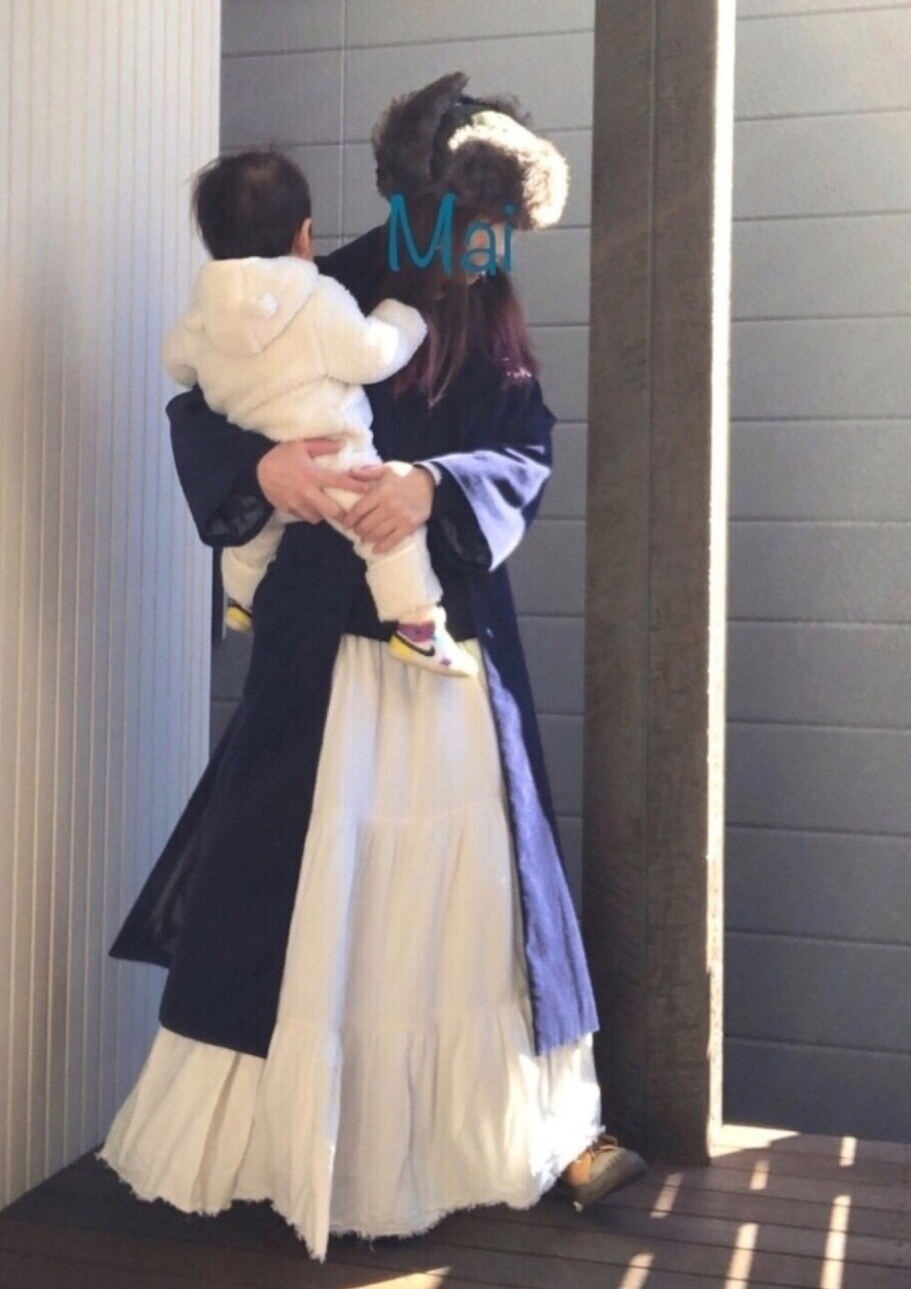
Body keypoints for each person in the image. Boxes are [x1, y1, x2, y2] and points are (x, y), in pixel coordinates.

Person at [97, 70, 646, 1261]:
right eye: (475, 218)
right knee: (304, 878)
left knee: (468, 891)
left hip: (447, 643)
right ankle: (298, 1148)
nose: (490, 245)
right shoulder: (322, 284)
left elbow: (526, 446)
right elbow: (201, 402)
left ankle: (501, 1133)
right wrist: (265, 469)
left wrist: (433, 485)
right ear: (423, 200)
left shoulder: (490, 315)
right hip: (325, 646)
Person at [163, 148, 477, 678]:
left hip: (268, 473)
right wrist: (404, 319)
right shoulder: (317, 295)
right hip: (335, 459)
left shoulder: (199, 315)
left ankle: (239, 600)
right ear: (304, 235)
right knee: (383, 535)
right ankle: (417, 626)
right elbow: (370, 354)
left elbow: (176, 363)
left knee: (254, 538)